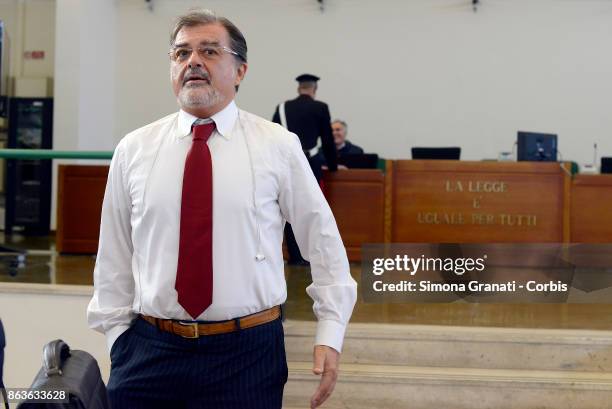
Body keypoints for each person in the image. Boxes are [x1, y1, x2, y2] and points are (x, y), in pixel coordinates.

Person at [87, 9, 356, 409]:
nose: (192, 61)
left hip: (247, 355)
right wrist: (117, 339)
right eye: (181, 54)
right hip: (148, 353)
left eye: (209, 51)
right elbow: (114, 254)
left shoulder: (277, 146)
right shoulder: (134, 150)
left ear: (241, 70)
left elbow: (322, 240)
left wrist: (330, 330)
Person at [272, 74, 337, 265]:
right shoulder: (320, 107)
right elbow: (327, 139)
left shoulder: (282, 108)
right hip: (311, 162)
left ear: (299, 88)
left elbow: (273, 137)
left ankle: (294, 256)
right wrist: (333, 166)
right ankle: (310, 255)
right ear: (314, 90)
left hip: (283, 163)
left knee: (286, 207)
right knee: (310, 208)